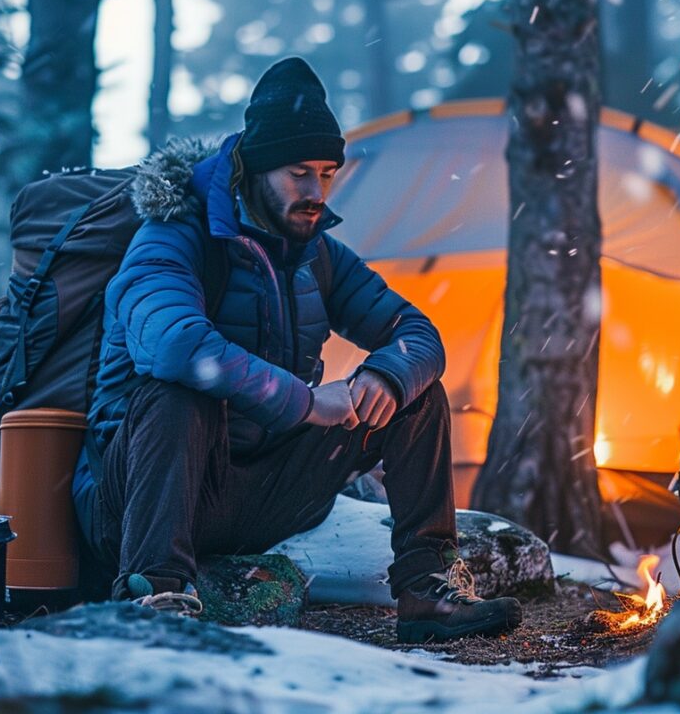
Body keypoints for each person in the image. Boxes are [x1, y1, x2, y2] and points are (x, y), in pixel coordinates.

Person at [71, 56, 521, 643]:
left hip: (261, 493)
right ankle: (155, 593)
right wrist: (308, 402)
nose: (316, 192)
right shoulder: (171, 237)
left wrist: (386, 377)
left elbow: (419, 334)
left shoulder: (317, 255)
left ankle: (423, 588)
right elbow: (174, 344)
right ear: (255, 170)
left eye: (328, 173)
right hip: (139, 502)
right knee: (178, 392)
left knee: (416, 393)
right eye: (299, 173)